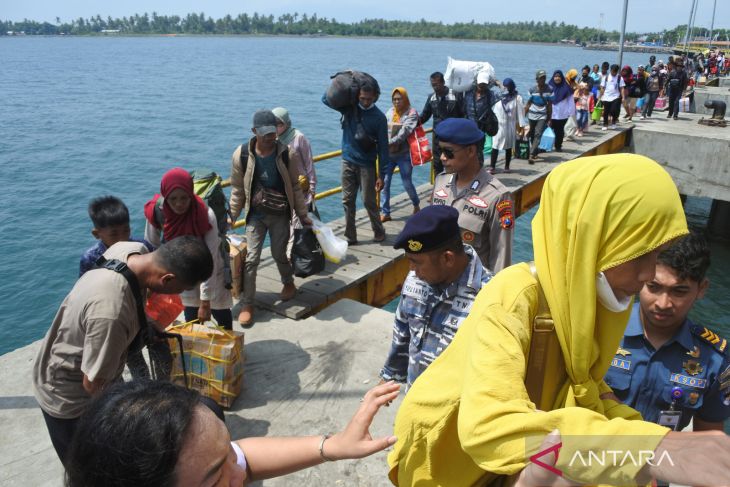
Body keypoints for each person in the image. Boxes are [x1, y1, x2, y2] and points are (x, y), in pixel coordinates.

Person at [389, 154, 730, 487]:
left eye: (657, 254)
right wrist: (648, 448)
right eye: (639, 254)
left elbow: (590, 389)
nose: (648, 273)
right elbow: (488, 429)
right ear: (592, 240)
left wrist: (660, 442)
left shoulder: (597, 300)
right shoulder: (515, 295)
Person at [33, 237, 213, 465]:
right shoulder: (112, 312)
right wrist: (136, 412)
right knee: (85, 469)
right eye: (183, 289)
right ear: (167, 279)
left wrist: (145, 321)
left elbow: (134, 293)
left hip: (92, 361)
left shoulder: (130, 250)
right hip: (67, 396)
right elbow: (94, 384)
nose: (181, 294)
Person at [604, 232, 730, 432]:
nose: (663, 303)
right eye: (653, 287)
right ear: (641, 279)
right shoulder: (601, 331)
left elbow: (708, 436)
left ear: (702, 289)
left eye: (679, 291)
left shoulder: (716, 360)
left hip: (660, 459)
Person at [379, 205, 492, 389]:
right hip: (414, 401)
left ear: (447, 259)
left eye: (416, 262)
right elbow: (403, 332)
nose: (411, 270)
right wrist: (389, 377)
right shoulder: (415, 280)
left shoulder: (488, 297)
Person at [229, 110, 312, 327]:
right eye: (265, 133)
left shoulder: (287, 154)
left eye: (273, 133)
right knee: (252, 259)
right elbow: (238, 189)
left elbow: (294, 186)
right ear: (254, 131)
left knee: (278, 253)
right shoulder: (242, 155)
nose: (270, 137)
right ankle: (248, 303)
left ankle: (288, 283)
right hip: (255, 215)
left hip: (279, 214)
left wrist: (303, 215)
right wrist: (232, 215)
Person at [144, 168, 234, 330]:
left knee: (220, 312)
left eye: (184, 198)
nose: (179, 204)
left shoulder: (205, 215)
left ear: (191, 194)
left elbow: (212, 256)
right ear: (165, 196)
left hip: (209, 267)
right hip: (179, 271)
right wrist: (152, 284)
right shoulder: (157, 214)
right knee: (191, 314)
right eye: (173, 199)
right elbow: (151, 249)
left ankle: (230, 350)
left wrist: (205, 301)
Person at [431, 118, 513, 273]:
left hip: (472, 292)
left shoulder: (497, 196)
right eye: (440, 150)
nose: (442, 157)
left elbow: (501, 258)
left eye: (449, 152)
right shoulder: (441, 182)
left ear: (470, 151)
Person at [322, 84, 388, 245]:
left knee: (368, 201)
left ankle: (378, 230)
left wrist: (382, 175)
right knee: (347, 200)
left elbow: (383, 148)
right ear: (358, 96)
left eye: (369, 99)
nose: (365, 102)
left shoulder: (379, 118)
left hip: (367, 165)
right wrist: (340, 83)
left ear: (375, 97)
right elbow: (325, 99)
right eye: (362, 98)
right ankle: (350, 236)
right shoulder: (349, 109)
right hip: (347, 160)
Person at [79, 196, 151, 276]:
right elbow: (85, 286)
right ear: (96, 234)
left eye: (126, 230)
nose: (122, 238)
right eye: (113, 234)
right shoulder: (90, 259)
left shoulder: (142, 246)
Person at [381, 87, 420, 222]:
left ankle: (416, 204)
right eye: (394, 99)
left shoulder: (412, 113)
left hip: (404, 154)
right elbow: (382, 127)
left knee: (407, 182)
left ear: (405, 99)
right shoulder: (390, 112)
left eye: (399, 99)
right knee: (385, 182)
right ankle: (385, 212)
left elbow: (405, 132)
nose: (396, 102)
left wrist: (388, 143)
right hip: (389, 155)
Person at [272, 106, 317, 213]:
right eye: (273, 123)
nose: (276, 127)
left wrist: (312, 187)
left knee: (299, 222)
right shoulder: (274, 140)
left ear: (286, 123)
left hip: (301, 187)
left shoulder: (299, 138)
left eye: (279, 123)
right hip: (284, 189)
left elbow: (309, 163)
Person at [419, 71, 465, 175]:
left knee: (453, 163)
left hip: (453, 138)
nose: (435, 87)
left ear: (443, 82)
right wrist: (412, 123)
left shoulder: (455, 95)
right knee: (437, 164)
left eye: (437, 84)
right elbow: (424, 116)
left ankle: (454, 187)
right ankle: (438, 188)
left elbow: (464, 115)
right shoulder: (432, 98)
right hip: (438, 139)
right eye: (433, 85)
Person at [490, 78, 526, 173]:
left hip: (510, 125)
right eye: (505, 87)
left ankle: (507, 166)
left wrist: (521, 128)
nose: (507, 89)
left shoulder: (517, 98)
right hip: (498, 125)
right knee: (495, 145)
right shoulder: (499, 96)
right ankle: (492, 167)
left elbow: (521, 113)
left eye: (508, 87)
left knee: (509, 146)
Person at [464, 71, 498, 162]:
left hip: (480, 129)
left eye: (484, 84)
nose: (482, 86)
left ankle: (479, 172)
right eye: (480, 83)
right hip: (468, 128)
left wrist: (498, 83)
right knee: (467, 151)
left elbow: (506, 94)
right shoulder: (468, 93)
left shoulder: (491, 95)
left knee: (478, 151)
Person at [524, 69, 553, 164]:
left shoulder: (550, 89)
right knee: (532, 133)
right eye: (541, 78)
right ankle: (535, 151)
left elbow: (549, 104)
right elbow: (528, 104)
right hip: (532, 114)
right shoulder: (532, 90)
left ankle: (531, 154)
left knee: (538, 133)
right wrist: (523, 116)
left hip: (542, 115)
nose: (543, 79)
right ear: (537, 79)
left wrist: (549, 117)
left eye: (544, 78)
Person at [548, 70, 574, 151]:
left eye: (559, 77)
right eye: (555, 76)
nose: (557, 78)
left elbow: (571, 101)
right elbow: (545, 99)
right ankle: (546, 146)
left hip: (562, 114)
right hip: (550, 114)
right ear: (553, 77)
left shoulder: (566, 88)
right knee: (548, 130)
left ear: (562, 78)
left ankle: (558, 146)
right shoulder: (549, 87)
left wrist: (571, 112)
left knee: (559, 131)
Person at [599, 63, 625, 130]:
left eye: (616, 71)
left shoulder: (620, 78)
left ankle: (613, 122)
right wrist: (600, 96)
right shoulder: (606, 77)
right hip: (606, 96)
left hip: (616, 96)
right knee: (606, 111)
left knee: (614, 110)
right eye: (613, 71)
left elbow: (622, 88)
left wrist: (623, 97)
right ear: (610, 70)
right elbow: (602, 87)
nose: (614, 73)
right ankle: (605, 124)